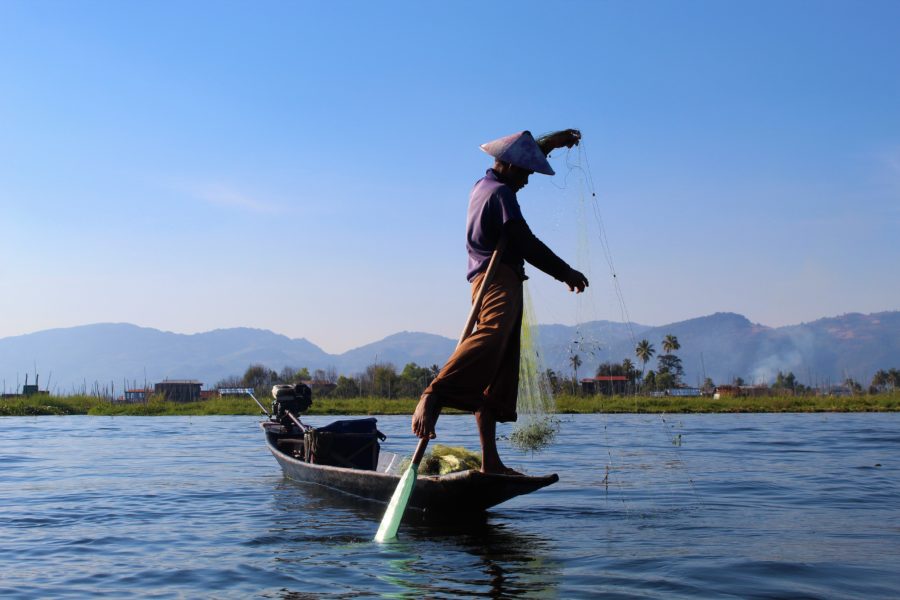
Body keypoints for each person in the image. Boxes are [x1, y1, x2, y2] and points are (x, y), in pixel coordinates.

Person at [412, 129, 589, 474]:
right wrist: (564, 272)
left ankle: (490, 462)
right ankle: (433, 393)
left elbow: (526, 153)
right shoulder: (501, 194)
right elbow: (524, 241)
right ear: (507, 166)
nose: (526, 180)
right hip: (497, 280)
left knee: (497, 372)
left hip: (490, 281)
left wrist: (552, 142)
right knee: (490, 339)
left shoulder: (483, 186)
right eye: (524, 172)